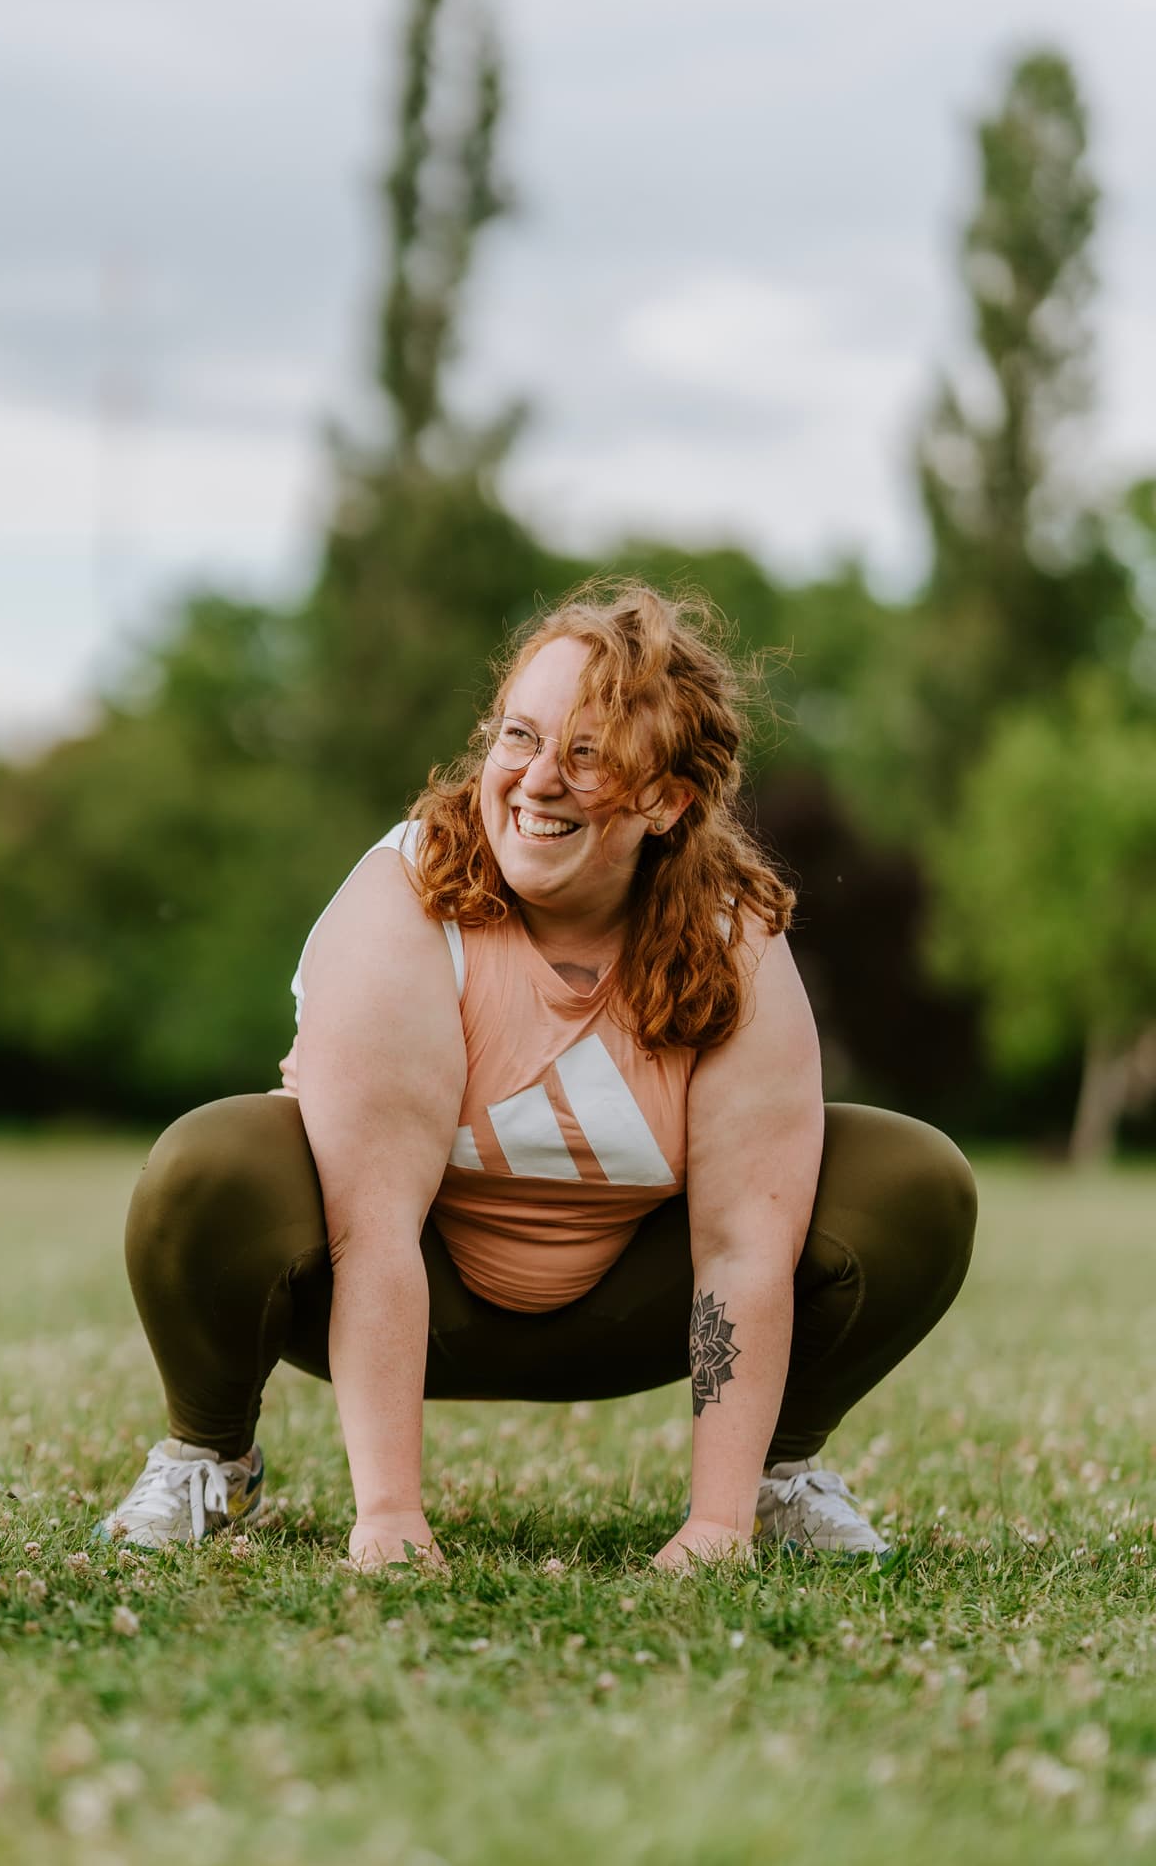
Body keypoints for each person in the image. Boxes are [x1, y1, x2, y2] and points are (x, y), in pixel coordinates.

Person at [102, 583, 977, 1571]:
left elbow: (743, 1249)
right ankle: (210, 1455)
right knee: (209, 1162)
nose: (538, 780)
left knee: (911, 1179)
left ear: (668, 799)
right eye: (519, 736)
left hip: (630, 1311)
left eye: (590, 754)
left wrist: (716, 1525)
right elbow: (372, 1227)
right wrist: (387, 1514)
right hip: (396, 1289)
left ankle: (774, 1479)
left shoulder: (732, 932)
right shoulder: (403, 903)